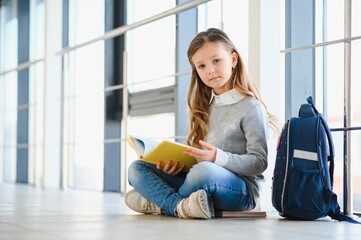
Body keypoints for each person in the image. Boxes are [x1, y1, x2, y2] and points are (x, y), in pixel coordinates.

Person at [125, 28, 279, 219]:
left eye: (216, 61)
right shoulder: (203, 107)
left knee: (203, 172)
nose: (210, 70)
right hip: (199, 180)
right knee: (137, 168)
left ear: (233, 60)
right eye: (202, 66)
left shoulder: (251, 107)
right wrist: (174, 165)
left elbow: (259, 163)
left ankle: (161, 203)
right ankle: (180, 206)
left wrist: (217, 157)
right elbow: (195, 162)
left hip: (240, 190)